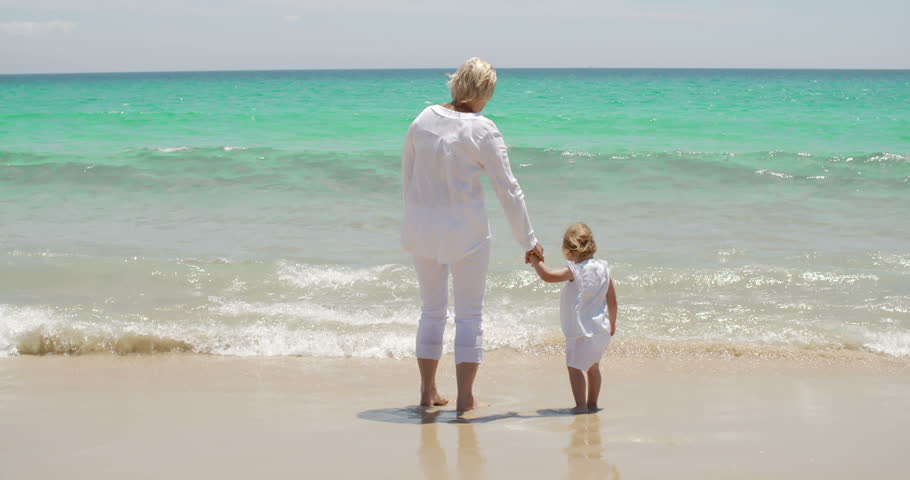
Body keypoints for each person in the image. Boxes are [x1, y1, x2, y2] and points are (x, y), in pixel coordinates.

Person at [401, 57, 543, 412]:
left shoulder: (423, 119)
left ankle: (427, 392)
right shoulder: (483, 129)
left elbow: (408, 175)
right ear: (484, 91)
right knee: (469, 316)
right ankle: (464, 398)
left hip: (421, 229)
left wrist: (416, 218)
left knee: (431, 312)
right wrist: (529, 241)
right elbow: (508, 190)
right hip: (468, 233)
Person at [527, 223, 618, 413]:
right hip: (601, 329)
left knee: (574, 367)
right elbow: (612, 300)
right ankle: (592, 404)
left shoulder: (575, 270)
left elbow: (548, 275)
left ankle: (580, 405)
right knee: (593, 368)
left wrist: (535, 261)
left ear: (569, 250)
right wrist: (613, 323)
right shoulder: (603, 268)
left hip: (580, 330)